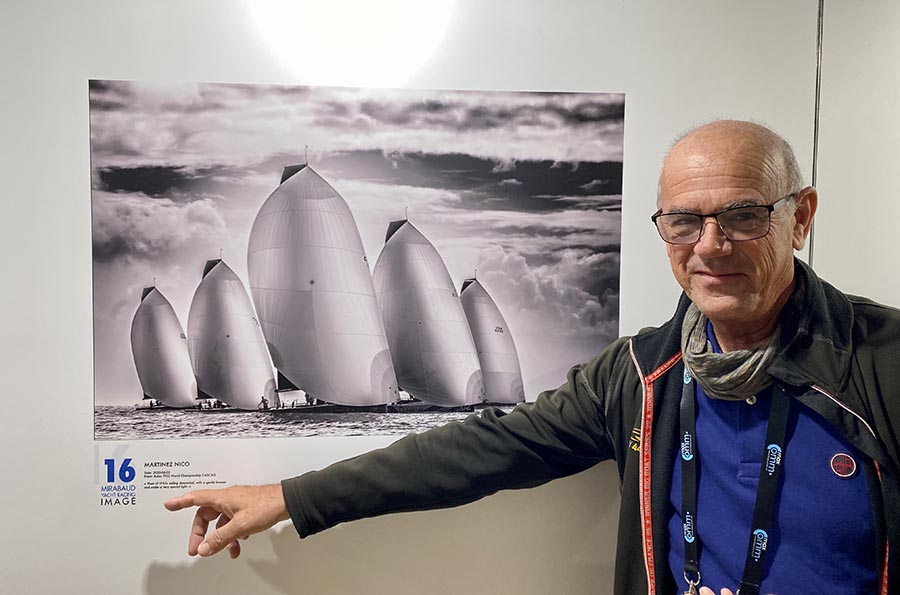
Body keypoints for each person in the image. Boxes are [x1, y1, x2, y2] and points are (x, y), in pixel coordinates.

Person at [165, 120, 899, 595]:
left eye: (742, 215)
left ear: (799, 217)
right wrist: (290, 496)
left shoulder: (885, 364)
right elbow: (480, 450)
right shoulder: (639, 375)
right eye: (684, 221)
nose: (710, 244)